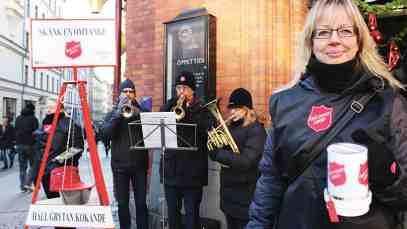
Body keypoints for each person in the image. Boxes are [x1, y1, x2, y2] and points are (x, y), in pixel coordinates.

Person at [246, 0, 407, 229]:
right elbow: (271, 180)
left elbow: (403, 196)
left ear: (359, 40)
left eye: (345, 31)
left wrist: (388, 174)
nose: (334, 39)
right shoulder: (285, 102)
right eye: (323, 32)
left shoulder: (388, 102)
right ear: (310, 41)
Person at [208, 88, 266, 229]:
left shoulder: (257, 130)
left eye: (237, 108)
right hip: (229, 194)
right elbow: (221, 154)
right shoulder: (230, 128)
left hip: (246, 196)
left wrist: (218, 154)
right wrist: (213, 146)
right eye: (231, 108)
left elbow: (247, 161)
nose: (232, 112)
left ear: (247, 109)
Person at [159, 71, 210, 229]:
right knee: (173, 217)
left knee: (191, 218)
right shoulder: (169, 105)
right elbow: (159, 127)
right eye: (178, 88)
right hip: (171, 171)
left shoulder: (202, 108)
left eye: (185, 88)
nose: (181, 92)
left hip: (192, 174)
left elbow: (206, 131)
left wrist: (188, 112)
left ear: (193, 90)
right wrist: (173, 108)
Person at [102, 79, 149, 229]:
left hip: (139, 165)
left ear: (135, 94)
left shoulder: (142, 111)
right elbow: (105, 134)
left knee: (141, 203)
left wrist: (138, 113)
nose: (128, 94)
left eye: (131, 91)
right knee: (122, 204)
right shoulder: (112, 114)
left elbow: (151, 130)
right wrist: (118, 114)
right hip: (119, 166)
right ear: (120, 95)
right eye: (125, 91)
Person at [33, 100, 83, 229]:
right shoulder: (44, 124)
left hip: (63, 172)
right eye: (47, 107)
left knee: (67, 209)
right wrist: (36, 171)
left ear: (60, 108)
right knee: (54, 208)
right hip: (45, 173)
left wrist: (59, 160)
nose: (48, 110)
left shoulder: (69, 124)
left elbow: (77, 147)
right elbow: (38, 149)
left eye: (51, 107)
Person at [15, 103, 39, 192]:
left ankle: (22, 187)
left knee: (22, 166)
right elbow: (36, 133)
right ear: (33, 110)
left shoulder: (18, 118)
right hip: (30, 145)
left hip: (19, 145)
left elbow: (15, 130)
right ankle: (28, 183)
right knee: (33, 165)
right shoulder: (33, 119)